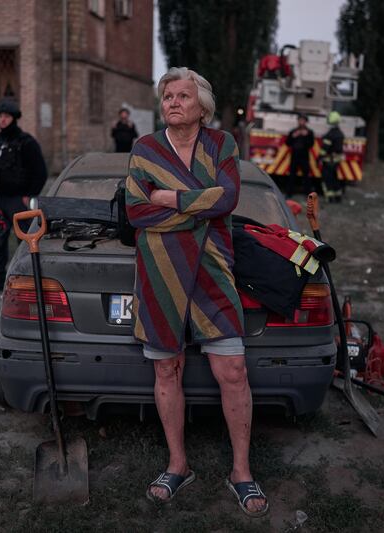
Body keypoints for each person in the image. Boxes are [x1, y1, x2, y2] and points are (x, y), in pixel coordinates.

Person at [125, 67, 268, 518]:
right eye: (168, 96)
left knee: (233, 370)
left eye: (183, 95)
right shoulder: (145, 148)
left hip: (213, 271)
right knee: (167, 369)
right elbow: (135, 211)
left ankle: (241, 472)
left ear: (201, 106)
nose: (173, 102)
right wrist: (197, 207)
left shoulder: (222, 144)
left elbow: (227, 199)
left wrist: (167, 197)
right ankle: (177, 465)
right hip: (160, 272)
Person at [0, 98, 47, 294]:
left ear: (14, 118)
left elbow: (41, 172)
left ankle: (28, 278)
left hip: (18, 200)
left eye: (6, 116)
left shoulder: (26, 142)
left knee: (25, 242)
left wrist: (29, 195)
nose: (2, 120)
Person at [285, 114, 315, 197]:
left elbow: (311, 144)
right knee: (292, 175)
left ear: (306, 122)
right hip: (294, 156)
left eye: (303, 120)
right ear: (298, 121)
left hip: (304, 156)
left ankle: (307, 193)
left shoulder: (309, 132)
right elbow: (287, 143)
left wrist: (306, 136)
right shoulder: (293, 131)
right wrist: (293, 136)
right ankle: (289, 193)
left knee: (306, 176)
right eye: (300, 120)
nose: (301, 122)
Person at [320, 111, 345, 203]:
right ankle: (338, 197)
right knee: (335, 178)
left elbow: (325, 149)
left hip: (328, 161)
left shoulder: (330, 135)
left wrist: (319, 157)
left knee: (327, 179)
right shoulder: (340, 134)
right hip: (336, 161)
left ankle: (330, 198)